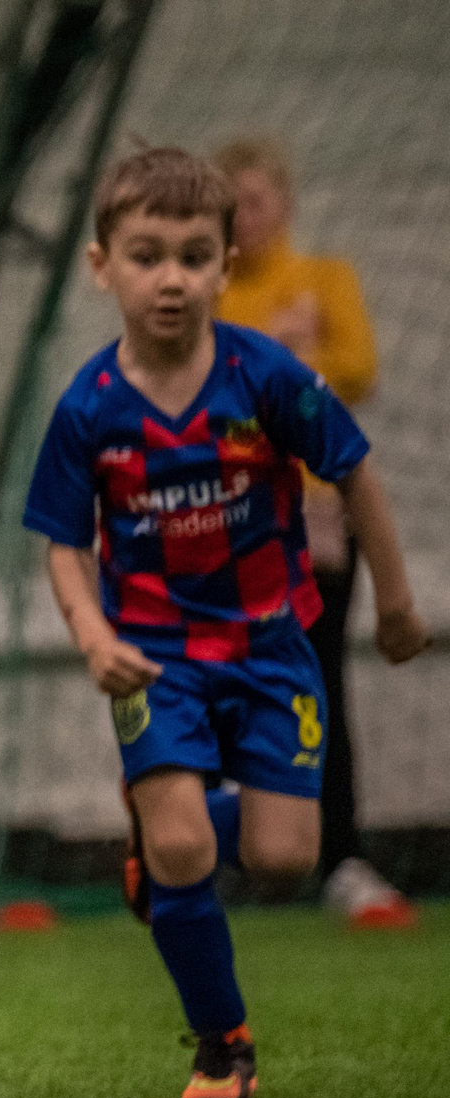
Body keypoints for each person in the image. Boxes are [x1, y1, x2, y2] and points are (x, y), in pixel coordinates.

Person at [22, 146, 427, 1098]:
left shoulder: (268, 377)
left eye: (194, 256)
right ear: (102, 265)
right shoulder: (90, 407)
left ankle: (161, 850)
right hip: (153, 660)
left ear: (226, 266)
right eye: (147, 255)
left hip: (271, 644)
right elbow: (62, 544)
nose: (171, 278)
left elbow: (357, 469)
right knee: (186, 856)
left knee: (287, 854)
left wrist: (399, 601)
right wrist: (91, 635)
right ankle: (222, 1044)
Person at [215, 136, 411, 928]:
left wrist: (283, 366)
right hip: (225, 521)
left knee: (319, 682)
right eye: (230, 207)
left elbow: (357, 366)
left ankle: (343, 856)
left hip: (315, 517)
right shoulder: (210, 295)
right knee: (224, 685)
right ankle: (235, 856)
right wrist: (289, 358)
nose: (244, 219)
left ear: (284, 204)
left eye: (255, 201)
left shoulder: (324, 280)